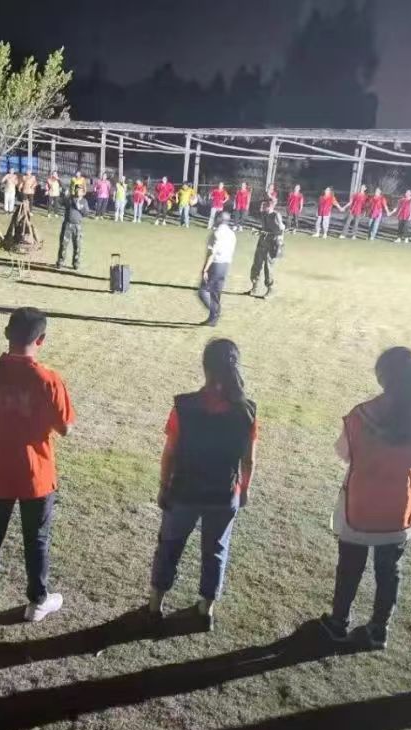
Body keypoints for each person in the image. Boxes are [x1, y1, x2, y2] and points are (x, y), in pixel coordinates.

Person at [319, 347, 411, 650]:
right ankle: (379, 628)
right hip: (399, 511)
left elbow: (343, 453)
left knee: (350, 567)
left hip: (360, 506)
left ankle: (338, 622)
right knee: (389, 571)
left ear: (382, 377)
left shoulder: (360, 416)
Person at [0, 307, 74, 621]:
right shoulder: (49, 379)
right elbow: (66, 428)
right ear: (41, 339)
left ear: (6, 333)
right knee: (37, 539)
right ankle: (37, 601)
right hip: (37, 476)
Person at [149, 338, 257, 631]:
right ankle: (206, 608)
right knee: (216, 550)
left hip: (184, 489)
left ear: (205, 366)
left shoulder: (184, 406)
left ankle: (155, 604)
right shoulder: (247, 410)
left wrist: (163, 485)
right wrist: (244, 490)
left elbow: (170, 452)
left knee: (170, 545)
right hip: (224, 492)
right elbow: (248, 460)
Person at [198, 213, 236, 326]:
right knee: (215, 293)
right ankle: (212, 320)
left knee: (203, 291)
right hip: (225, 265)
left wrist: (205, 269)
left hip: (216, 265)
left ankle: (215, 312)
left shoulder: (217, 233)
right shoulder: (231, 233)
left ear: (219, 219)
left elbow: (212, 253)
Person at [249, 197, 284, 298]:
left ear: (271, 206)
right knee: (256, 265)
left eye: (265, 205)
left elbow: (281, 229)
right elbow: (264, 229)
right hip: (262, 243)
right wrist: (258, 231)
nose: (263, 207)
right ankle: (254, 287)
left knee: (268, 267)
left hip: (272, 244)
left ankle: (270, 289)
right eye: (263, 205)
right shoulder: (264, 215)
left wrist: (278, 241)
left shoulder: (276, 215)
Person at [55, 184, 89, 271]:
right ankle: (60, 261)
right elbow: (59, 202)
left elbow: (86, 213)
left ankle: (76, 263)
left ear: (83, 192)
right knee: (63, 244)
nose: (78, 191)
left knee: (77, 245)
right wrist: (62, 194)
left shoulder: (84, 201)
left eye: (80, 190)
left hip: (77, 226)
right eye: (77, 189)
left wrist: (80, 208)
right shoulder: (69, 198)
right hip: (67, 224)